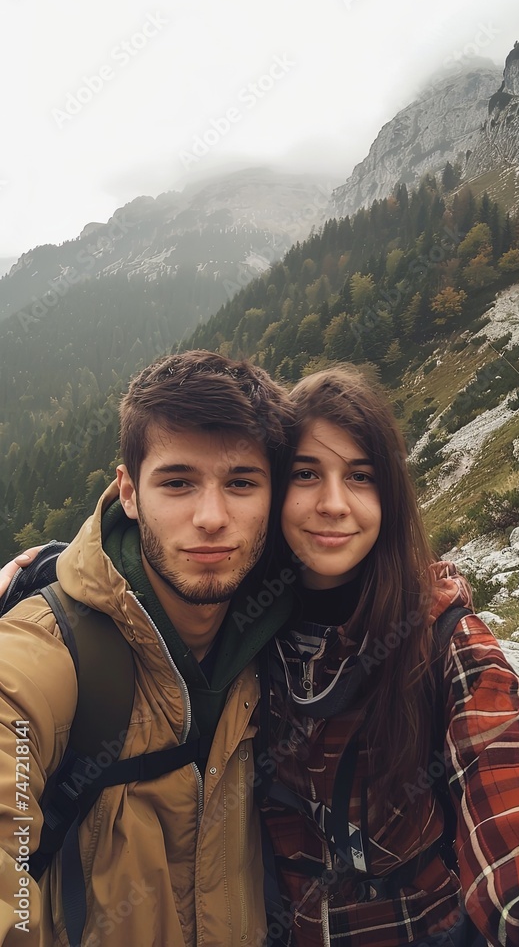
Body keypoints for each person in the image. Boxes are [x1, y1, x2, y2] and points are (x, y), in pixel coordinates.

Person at [0, 349, 294, 947]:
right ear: (129, 494)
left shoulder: (287, 635)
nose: (211, 518)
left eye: (241, 483)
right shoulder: (47, 652)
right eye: (178, 482)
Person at [259, 365, 519, 947]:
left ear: (389, 496)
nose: (333, 504)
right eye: (305, 474)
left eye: (361, 477)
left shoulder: (445, 643)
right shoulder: (235, 636)